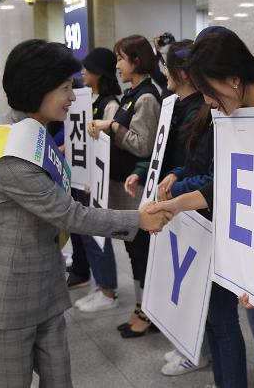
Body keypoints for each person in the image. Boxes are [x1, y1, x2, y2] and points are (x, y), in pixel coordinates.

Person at [0, 39, 170, 388]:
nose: (74, 97)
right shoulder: (11, 153)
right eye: (64, 88)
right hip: (4, 304)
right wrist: (139, 219)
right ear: (36, 89)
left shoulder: (30, 131)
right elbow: (70, 215)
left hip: (44, 288)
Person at [150, 26, 254, 387]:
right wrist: (179, 203)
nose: (208, 103)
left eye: (210, 93)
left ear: (233, 79)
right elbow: (227, 186)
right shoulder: (238, 115)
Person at [124, 40, 213, 376]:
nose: (162, 72)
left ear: (183, 72)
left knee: (195, 290)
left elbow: (192, 165)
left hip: (187, 204)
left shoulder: (198, 111)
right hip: (172, 200)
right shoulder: (173, 103)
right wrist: (141, 174)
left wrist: (174, 188)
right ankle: (189, 346)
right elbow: (160, 153)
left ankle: (196, 350)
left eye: (167, 66)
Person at [88, 35, 162, 338]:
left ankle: (147, 312)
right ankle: (142, 308)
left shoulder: (146, 97)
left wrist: (112, 126)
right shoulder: (133, 94)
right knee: (134, 253)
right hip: (124, 190)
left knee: (142, 253)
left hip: (137, 192)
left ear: (136, 60)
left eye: (121, 59)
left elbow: (143, 146)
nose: (117, 65)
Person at [71, 47, 125, 312]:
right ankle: (100, 284)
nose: (83, 73)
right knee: (88, 236)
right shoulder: (88, 100)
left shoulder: (110, 104)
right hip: (84, 178)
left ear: (99, 73)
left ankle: (107, 290)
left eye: (88, 69)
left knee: (98, 235)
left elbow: (109, 147)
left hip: (97, 182)